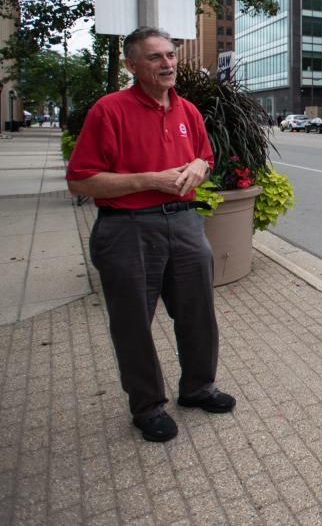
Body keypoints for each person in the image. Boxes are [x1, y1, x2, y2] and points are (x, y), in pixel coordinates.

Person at [66, 26, 235, 443]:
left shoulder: (188, 111)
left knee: (198, 313)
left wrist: (200, 166)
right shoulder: (109, 111)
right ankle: (147, 406)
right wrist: (148, 181)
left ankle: (198, 388)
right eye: (156, 57)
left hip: (184, 223)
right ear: (132, 65)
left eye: (171, 55)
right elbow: (81, 180)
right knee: (133, 325)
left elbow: (204, 157)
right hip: (127, 229)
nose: (168, 63)